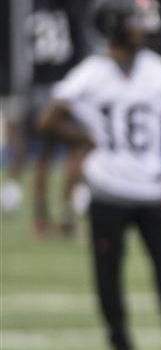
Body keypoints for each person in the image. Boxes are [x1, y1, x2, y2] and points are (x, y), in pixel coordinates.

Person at [38, 0, 161, 350]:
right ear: (115, 25)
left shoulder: (158, 71)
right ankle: (122, 346)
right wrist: (86, 137)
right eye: (133, 20)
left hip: (152, 187)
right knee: (108, 272)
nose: (142, 27)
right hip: (108, 187)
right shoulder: (91, 73)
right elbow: (48, 119)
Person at [2, 0, 92, 238]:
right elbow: (79, 54)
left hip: (37, 90)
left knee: (43, 154)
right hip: (63, 91)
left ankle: (40, 220)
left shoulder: (33, 13)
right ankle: (66, 217)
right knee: (79, 145)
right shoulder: (69, 12)